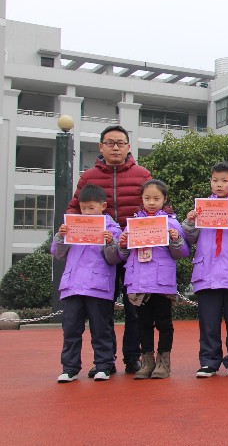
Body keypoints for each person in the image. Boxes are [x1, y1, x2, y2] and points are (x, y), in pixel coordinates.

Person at [66, 125, 151, 375]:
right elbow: (72, 210)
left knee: (135, 307)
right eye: (110, 142)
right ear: (101, 147)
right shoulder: (88, 177)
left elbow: (158, 208)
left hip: (133, 250)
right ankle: (105, 361)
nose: (115, 147)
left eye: (120, 143)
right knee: (101, 310)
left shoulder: (142, 174)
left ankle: (132, 357)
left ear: (128, 147)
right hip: (98, 255)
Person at [183, 162, 228, 378]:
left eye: (225, 181)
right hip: (207, 272)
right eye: (215, 180)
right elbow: (190, 238)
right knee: (208, 321)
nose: (219, 184)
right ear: (210, 182)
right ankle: (209, 361)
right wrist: (189, 223)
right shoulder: (202, 207)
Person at [116, 180, 190, 379]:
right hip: (138, 282)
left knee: (164, 323)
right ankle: (147, 362)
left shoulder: (171, 222)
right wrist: (122, 244)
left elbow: (182, 252)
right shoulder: (133, 224)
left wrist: (176, 239)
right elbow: (121, 255)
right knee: (143, 324)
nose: (151, 202)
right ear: (141, 199)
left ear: (164, 199)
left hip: (161, 282)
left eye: (156, 198)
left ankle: (163, 362)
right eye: (147, 198)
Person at [52, 185, 122, 382]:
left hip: (98, 287)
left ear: (103, 206)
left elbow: (115, 258)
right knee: (71, 329)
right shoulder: (72, 225)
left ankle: (103, 365)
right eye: (83, 208)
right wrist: (61, 236)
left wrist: (110, 243)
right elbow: (58, 253)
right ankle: (70, 368)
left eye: (91, 208)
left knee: (101, 329)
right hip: (72, 286)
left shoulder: (112, 229)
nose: (87, 212)